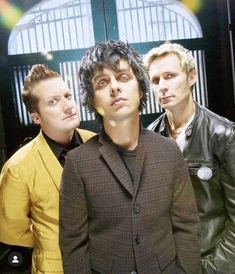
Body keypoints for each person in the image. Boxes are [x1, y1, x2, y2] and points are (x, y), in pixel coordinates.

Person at [59, 40, 201, 274]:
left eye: (123, 77)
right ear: (93, 100)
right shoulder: (77, 163)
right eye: (102, 82)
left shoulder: (168, 151)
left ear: (141, 89)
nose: (114, 87)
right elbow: (73, 245)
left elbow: (186, 226)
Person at [144, 42, 235, 274]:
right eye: (155, 80)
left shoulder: (224, 135)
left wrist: (211, 268)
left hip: (212, 262)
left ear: (191, 76)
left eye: (169, 76)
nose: (162, 86)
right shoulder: (148, 139)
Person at [0, 64, 95, 273]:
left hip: (105, 261)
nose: (68, 106)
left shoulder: (97, 144)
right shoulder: (18, 168)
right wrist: (47, 238)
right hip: (56, 265)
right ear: (36, 117)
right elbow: (10, 230)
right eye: (53, 102)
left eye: (68, 96)